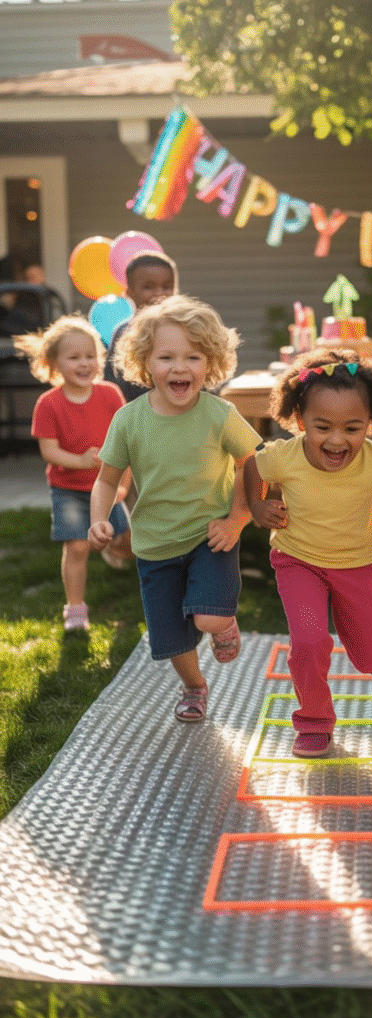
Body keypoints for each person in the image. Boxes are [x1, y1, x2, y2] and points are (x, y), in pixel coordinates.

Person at [243, 349, 372, 759]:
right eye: (322, 427)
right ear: (301, 421)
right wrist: (257, 505)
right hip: (297, 562)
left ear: (371, 424)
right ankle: (315, 723)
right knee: (309, 641)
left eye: (352, 428)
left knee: (370, 660)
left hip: (356, 569)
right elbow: (252, 468)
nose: (337, 440)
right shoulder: (285, 456)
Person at [88, 294, 260, 723]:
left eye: (193, 356)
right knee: (171, 641)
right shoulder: (129, 420)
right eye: (166, 357)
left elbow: (252, 465)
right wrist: (99, 519)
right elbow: (107, 480)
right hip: (155, 543)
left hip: (211, 537)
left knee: (206, 618)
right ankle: (194, 687)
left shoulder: (220, 414)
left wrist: (237, 518)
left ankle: (223, 621)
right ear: (145, 362)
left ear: (212, 362)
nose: (180, 367)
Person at [14, 316, 132, 632]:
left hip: (107, 487)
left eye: (90, 355)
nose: (84, 363)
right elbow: (49, 451)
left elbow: (125, 442)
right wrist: (81, 460)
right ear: (54, 363)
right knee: (77, 547)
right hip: (69, 488)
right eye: (74, 357)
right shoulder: (48, 404)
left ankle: (110, 546)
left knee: (128, 542)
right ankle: (76, 609)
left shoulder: (110, 395)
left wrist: (124, 481)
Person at [103, 251, 178, 402]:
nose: (159, 293)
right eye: (148, 287)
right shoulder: (124, 334)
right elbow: (113, 383)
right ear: (129, 293)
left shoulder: (184, 330)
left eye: (167, 287)